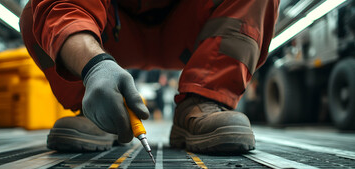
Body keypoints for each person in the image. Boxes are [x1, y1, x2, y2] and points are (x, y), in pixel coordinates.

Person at [19, 0, 279, 153]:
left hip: (192, 27)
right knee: (36, 14)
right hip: (113, 29)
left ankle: (203, 100)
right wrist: (93, 66)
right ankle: (98, 108)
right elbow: (63, 8)